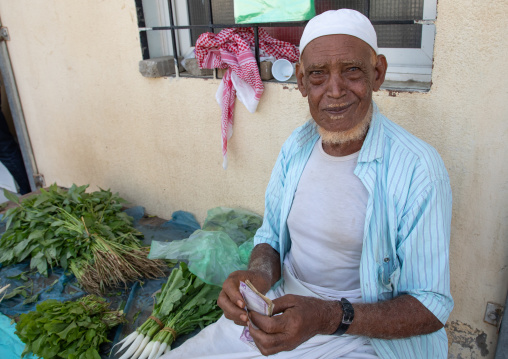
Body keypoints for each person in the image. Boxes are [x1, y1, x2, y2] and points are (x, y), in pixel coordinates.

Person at [163, 9, 453, 359]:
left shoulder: (418, 169)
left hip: (363, 334)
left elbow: (431, 305)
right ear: (301, 81)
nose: (335, 91)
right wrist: (258, 276)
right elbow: (269, 238)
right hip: (284, 309)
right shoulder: (297, 147)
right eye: (317, 75)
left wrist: (329, 316)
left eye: (352, 71)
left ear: (377, 74)